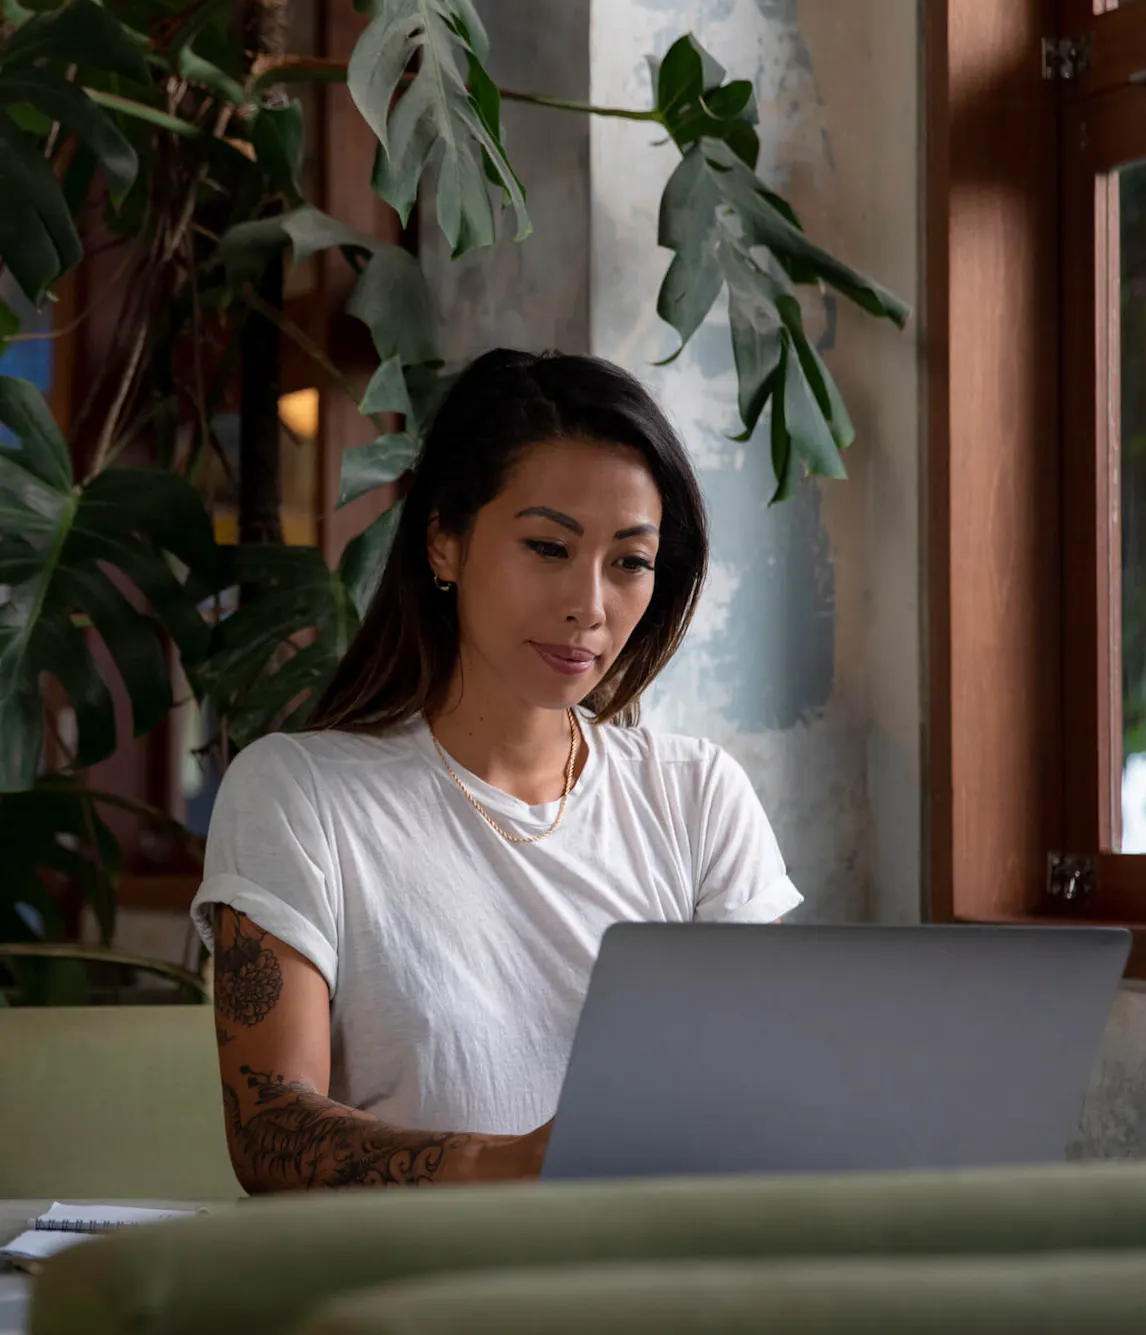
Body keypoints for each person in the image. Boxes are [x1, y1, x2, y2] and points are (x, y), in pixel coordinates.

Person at [191, 348, 802, 1194]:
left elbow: (771, 1092)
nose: (589, 604)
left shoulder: (696, 796)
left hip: (662, 1283)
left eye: (629, 561)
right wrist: (509, 1165)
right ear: (443, 541)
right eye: (548, 547)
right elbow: (269, 1129)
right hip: (414, 1301)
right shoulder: (300, 795)